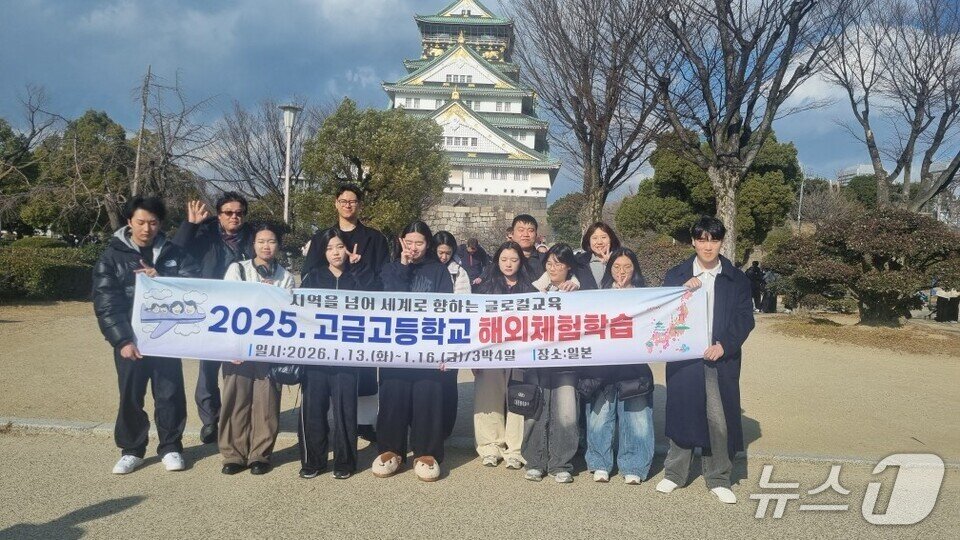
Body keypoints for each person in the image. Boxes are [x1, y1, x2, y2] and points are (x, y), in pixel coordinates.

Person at [656, 216, 755, 505]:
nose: (707, 245)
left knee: (718, 418)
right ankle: (675, 473)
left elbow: (744, 318)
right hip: (684, 356)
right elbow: (663, 313)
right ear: (693, 242)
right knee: (682, 412)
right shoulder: (677, 274)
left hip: (718, 356)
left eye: (713, 239)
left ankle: (719, 476)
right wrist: (679, 294)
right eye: (701, 239)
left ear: (721, 241)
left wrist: (725, 345)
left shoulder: (735, 277)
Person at [93, 196, 194, 474]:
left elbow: (193, 287)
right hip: (131, 340)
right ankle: (132, 449)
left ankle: (171, 447)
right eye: (140, 222)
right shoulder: (112, 256)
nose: (146, 228)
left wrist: (160, 278)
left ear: (160, 224)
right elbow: (105, 302)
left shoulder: (173, 252)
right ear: (129, 222)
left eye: (152, 222)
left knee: (170, 393)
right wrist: (122, 340)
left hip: (166, 339)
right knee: (130, 395)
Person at [301, 184, 389, 442]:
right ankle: (326, 425)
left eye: (353, 201)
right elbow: (309, 276)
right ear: (335, 203)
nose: (348, 205)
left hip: (361, 317)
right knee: (327, 373)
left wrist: (360, 269)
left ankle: (364, 423)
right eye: (343, 200)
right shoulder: (322, 237)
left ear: (359, 205)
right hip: (326, 320)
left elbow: (382, 278)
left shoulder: (374, 238)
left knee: (364, 371)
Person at [372, 221, 454, 482]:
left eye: (420, 243)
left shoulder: (439, 271)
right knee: (392, 397)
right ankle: (390, 450)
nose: (414, 247)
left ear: (428, 244)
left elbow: (447, 311)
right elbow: (390, 299)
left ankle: (426, 453)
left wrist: (445, 350)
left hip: (428, 348)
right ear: (400, 241)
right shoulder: (389, 269)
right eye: (410, 242)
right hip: (396, 348)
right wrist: (403, 266)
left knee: (427, 397)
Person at [172, 192, 255, 445]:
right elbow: (174, 250)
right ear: (219, 215)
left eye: (239, 213)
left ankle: (241, 417)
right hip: (209, 308)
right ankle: (211, 419)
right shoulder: (204, 234)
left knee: (242, 365)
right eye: (228, 212)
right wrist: (190, 225)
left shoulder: (252, 238)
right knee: (208, 367)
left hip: (243, 310)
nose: (234, 217)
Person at [218, 224, 294, 476]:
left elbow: (287, 312)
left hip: (269, 348)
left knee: (267, 402)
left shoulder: (285, 276)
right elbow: (226, 305)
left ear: (278, 245)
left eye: (271, 241)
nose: (266, 246)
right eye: (261, 241)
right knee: (235, 399)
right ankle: (233, 454)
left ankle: (260, 454)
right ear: (253, 245)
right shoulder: (238, 269)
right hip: (237, 347)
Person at [299, 228, 375, 480]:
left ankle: (345, 461)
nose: (335, 252)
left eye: (340, 247)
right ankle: (313, 460)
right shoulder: (313, 277)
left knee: (345, 409)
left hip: (347, 356)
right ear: (322, 252)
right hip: (316, 356)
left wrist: (360, 268)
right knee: (313, 409)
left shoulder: (358, 277)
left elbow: (376, 301)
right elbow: (298, 312)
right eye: (330, 248)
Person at [579, 248, 655, 485]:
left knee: (636, 415)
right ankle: (600, 462)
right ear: (609, 269)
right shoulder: (597, 296)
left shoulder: (647, 297)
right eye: (617, 267)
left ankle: (634, 464)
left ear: (636, 270)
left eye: (627, 267)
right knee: (599, 415)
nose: (622, 272)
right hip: (601, 367)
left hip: (633, 367)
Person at [523, 243, 591, 483]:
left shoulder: (579, 289)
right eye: (549, 263)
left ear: (568, 266)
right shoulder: (532, 289)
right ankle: (535, 461)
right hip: (536, 359)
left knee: (566, 412)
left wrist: (578, 289)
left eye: (559, 264)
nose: (553, 268)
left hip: (567, 360)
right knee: (535, 410)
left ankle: (561, 463)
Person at [473, 241, 536, 470]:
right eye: (504, 259)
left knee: (519, 400)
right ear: (497, 261)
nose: (508, 264)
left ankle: (515, 450)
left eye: (514, 260)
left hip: (520, 355)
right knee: (488, 399)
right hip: (489, 354)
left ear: (521, 262)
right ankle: (490, 447)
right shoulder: (484, 288)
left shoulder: (532, 291)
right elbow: (475, 325)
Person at [434, 231, 471, 440]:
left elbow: (463, 304)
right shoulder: (426, 268)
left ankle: (446, 427)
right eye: (440, 252)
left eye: (448, 253)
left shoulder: (459, 273)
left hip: (449, 334)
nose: (444, 257)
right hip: (429, 334)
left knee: (448, 383)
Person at [576, 222, 624, 290]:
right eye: (594, 238)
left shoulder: (623, 259)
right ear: (588, 240)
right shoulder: (579, 262)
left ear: (611, 239)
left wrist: (611, 263)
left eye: (603, 237)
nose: (599, 242)